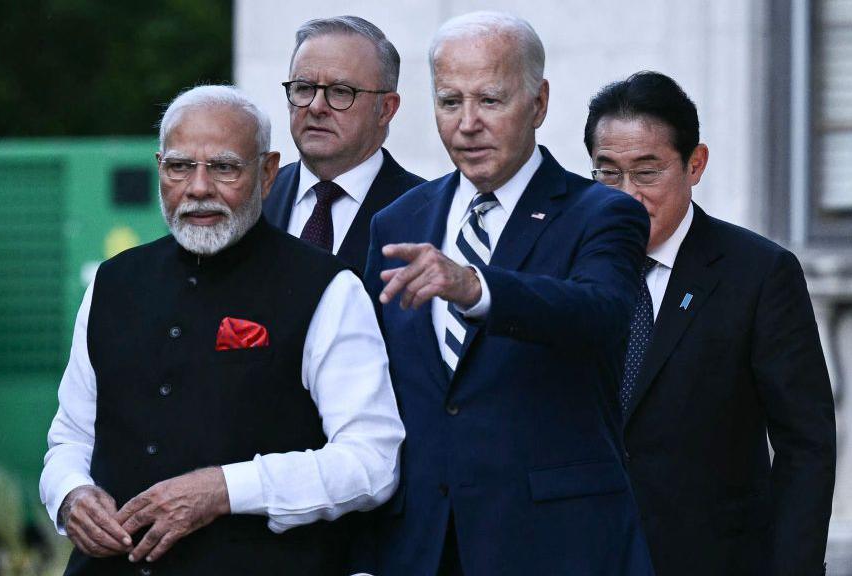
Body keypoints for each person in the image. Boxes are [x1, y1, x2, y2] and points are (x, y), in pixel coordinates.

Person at [39, 85, 404, 576]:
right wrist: (70, 495)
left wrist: (225, 490)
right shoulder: (113, 282)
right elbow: (70, 439)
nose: (199, 188)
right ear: (159, 168)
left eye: (224, 167)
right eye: (180, 167)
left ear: (267, 173)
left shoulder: (327, 288)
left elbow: (371, 463)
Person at [363, 12, 654, 575]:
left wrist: (477, 287)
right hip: (420, 545)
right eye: (450, 102)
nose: (467, 124)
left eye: (490, 101)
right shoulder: (397, 222)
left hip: (555, 545)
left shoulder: (603, 212)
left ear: (539, 104)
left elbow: (602, 313)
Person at [585, 71, 836, 576]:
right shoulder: (568, 266)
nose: (625, 195)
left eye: (647, 173)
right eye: (608, 174)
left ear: (694, 164)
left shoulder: (758, 274)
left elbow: (805, 446)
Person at [263, 15, 425, 273]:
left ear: (385, 109)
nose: (316, 107)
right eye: (304, 88)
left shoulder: (426, 213)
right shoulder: (256, 197)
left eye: (340, 91)